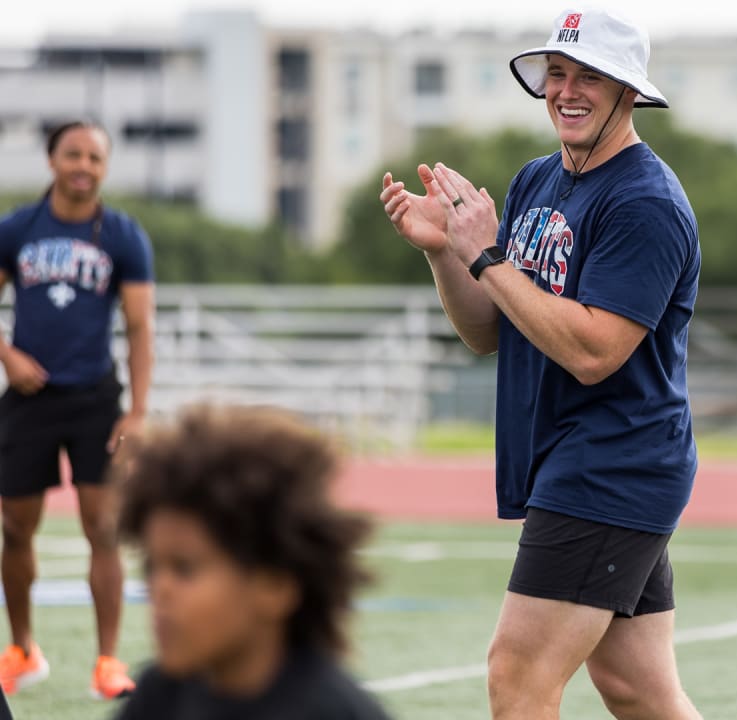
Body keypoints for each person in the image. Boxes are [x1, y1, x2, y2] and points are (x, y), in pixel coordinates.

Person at [380, 8, 702, 719]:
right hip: (589, 461)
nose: (568, 90)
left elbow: (593, 352)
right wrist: (446, 250)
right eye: (558, 73)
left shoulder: (645, 202)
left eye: (591, 75)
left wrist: (486, 254)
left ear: (628, 91)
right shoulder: (535, 180)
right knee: (638, 691)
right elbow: (489, 330)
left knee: (517, 675)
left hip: (612, 465)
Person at [0, 119, 154, 699]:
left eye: (94, 156)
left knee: (104, 529)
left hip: (95, 399)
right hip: (29, 399)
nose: (83, 165)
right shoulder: (16, 229)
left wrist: (137, 411)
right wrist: (9, 356)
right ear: (52, 161)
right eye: (73, 155)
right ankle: (22, 648)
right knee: (15, 527)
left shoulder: (122, 235)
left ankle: (108, 661)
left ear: (105, 167)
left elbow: (140, 326)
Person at [110, 403, 392, 720]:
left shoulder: (336, 711)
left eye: (184, 569)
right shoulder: (159, 698)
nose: (159, 590)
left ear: (274, 585)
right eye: (152, 568)